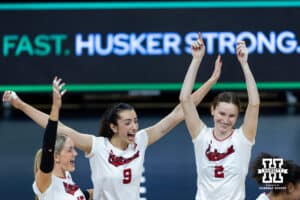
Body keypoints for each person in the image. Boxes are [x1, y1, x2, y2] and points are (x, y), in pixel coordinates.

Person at [2, 60, 221, 200]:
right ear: (113, 126)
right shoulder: (97, 146)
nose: (134, 126)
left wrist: (210, 81)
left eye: (135, 121)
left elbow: (179, 112)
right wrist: (21, 105)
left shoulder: (141, 141)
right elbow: (58, 128)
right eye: (128, 122)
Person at [179, 33, 260, 200]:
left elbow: (254, 104)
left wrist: (244, 64)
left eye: (232, 116)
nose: (225, 119)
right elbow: (185, 99)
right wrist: (196, 60)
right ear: (212, 110)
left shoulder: (243, 138)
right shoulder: (201, 136)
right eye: (222, 113)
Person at [23, 77, 92, 200]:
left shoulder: (67, 177)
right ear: (55, 156)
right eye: (70, 149)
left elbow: (81, 196)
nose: (75, 154)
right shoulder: (45, 181)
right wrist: (55, 108)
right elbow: (48, 146)